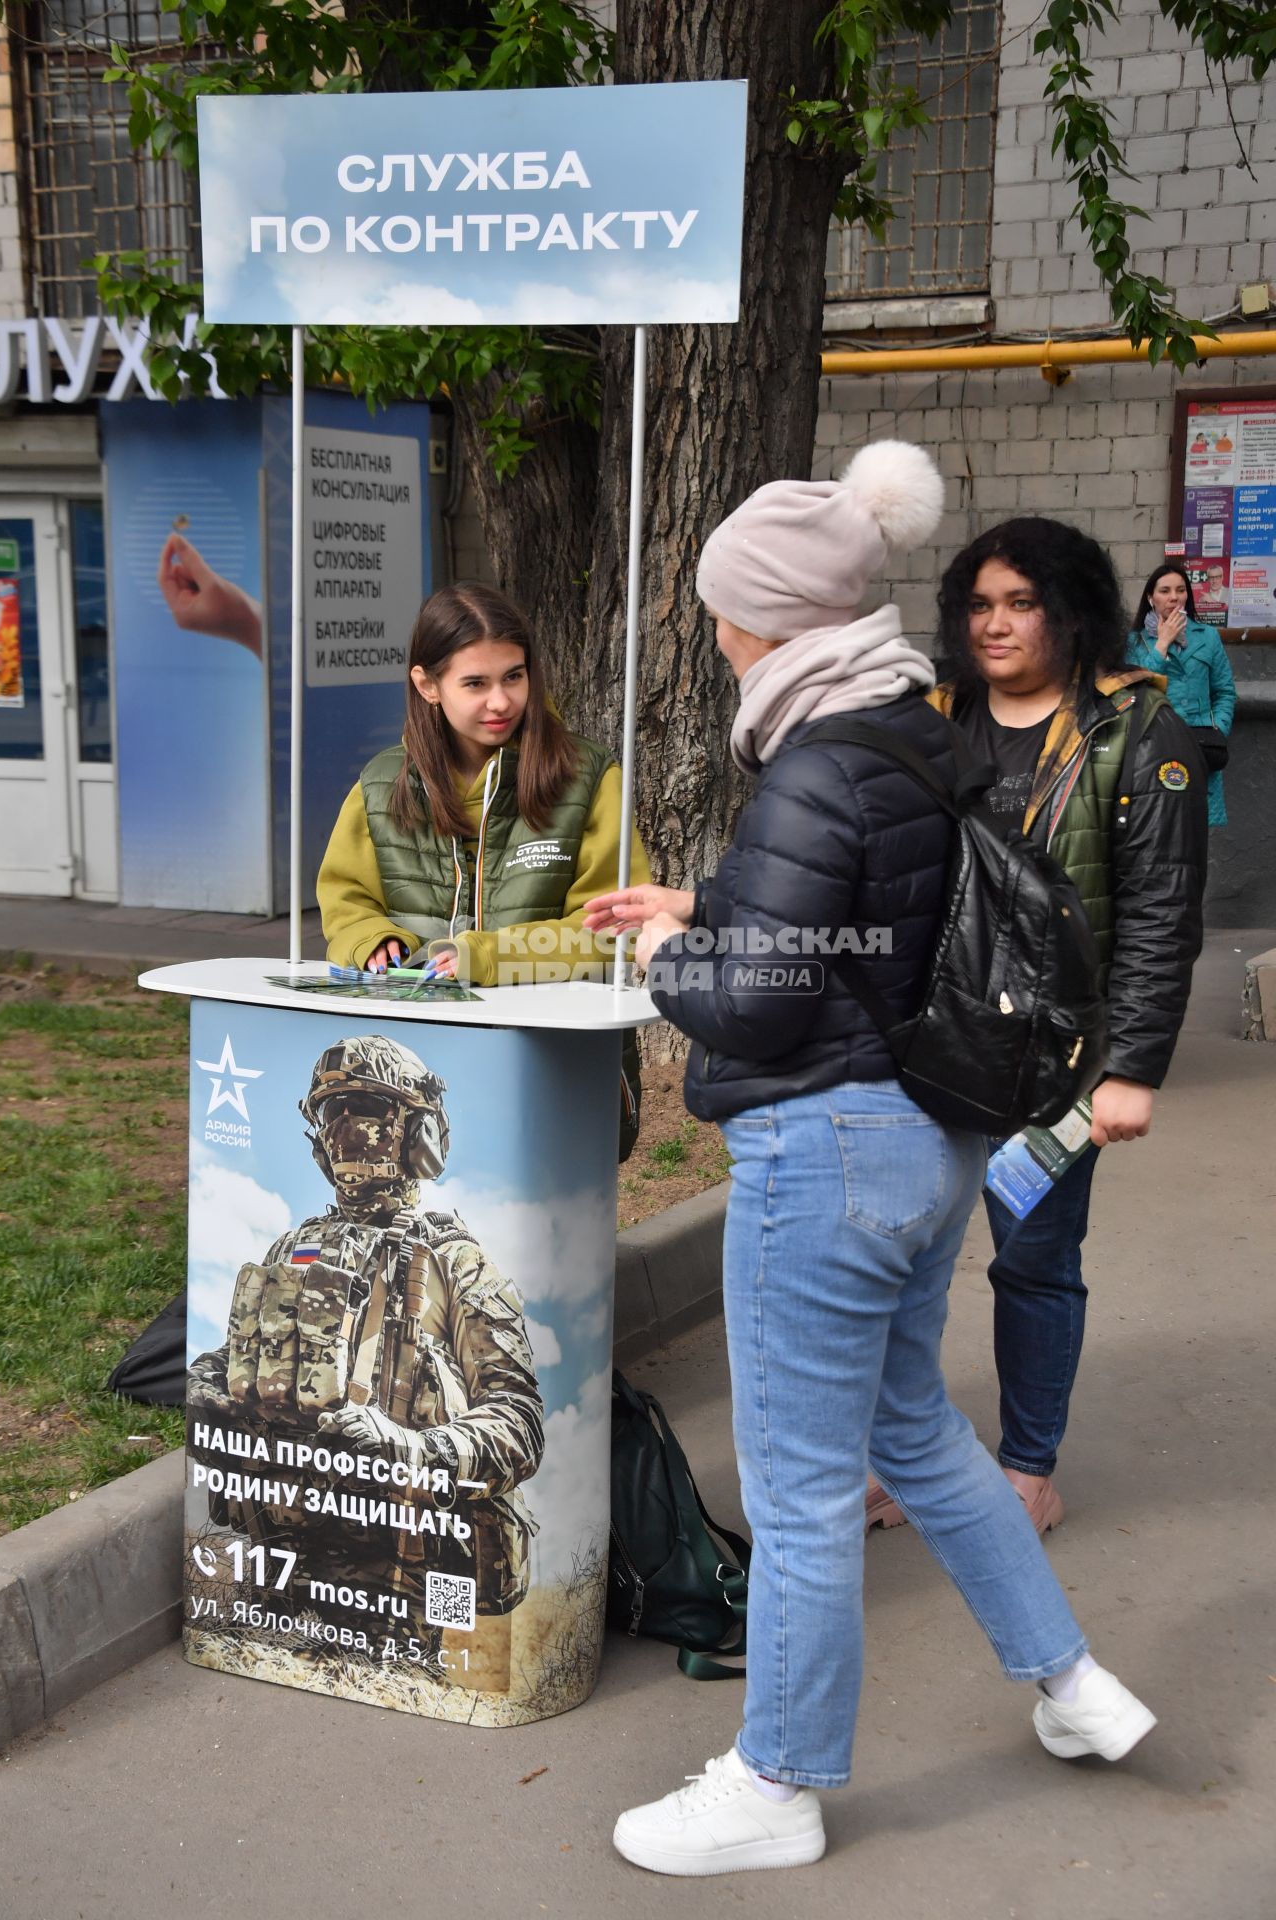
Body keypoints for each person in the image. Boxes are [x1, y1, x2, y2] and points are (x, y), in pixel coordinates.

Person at [585, 448, 1157, 1879]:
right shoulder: (912, 721)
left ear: (766, 621)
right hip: (929, 1140)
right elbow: (878, 898)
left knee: (796, 1488)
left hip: (823, 1152)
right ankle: (1076, 1688)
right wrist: (714, 898)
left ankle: (776, 1782)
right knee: (919, 1438)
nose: (713, 630)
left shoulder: (811, 761)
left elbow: (755, 1000)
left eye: (722, 611)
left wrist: (670, 947)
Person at [877, 518, 1204, 1539]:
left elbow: (1158, 911)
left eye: (1020, 603)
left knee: (1030, 1262)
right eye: (978, 604)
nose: (995, 624)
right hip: (919, 1044)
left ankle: (1025, 1467)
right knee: (891, 1264)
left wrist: (1132, 1069)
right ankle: (902, 1457)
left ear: (1069, 612)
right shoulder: (926, 718)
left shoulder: (1136, 732)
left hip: (1055, 1064)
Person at [186, 1033, 544, 1669]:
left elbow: (519, 1423)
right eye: (333, 1112)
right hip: (279, 1565)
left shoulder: (456, 1261)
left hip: (398, 1584)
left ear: (417, 1133)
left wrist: (409, 1447)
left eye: (371, 1110)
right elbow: (239, 1360)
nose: (349, 1128)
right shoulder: (292, 1249)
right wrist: (209, 1387)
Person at [317, 580, 649, 1151]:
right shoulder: (380, 784)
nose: (500, 702)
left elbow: (617, 929)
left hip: (554, 1059)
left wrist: (485, 958)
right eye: (475, 683)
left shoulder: (589, 777)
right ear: (427, 685)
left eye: (513, 677)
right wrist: (370, 940)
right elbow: (345, 902)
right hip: (416, 1058)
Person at [1126, 561, 1235, 827]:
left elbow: (1225, 692)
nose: (1174, 597)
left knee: (1195, 831)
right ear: (1151, 598)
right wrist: (1162, 644)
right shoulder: (1134, 642)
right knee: (1157, 826)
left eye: (1180, 590)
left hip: (1200, 744)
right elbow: (1133, 691)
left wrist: (1218, 729)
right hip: (1153, 744)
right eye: (1164, 591)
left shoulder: (1207, 637)